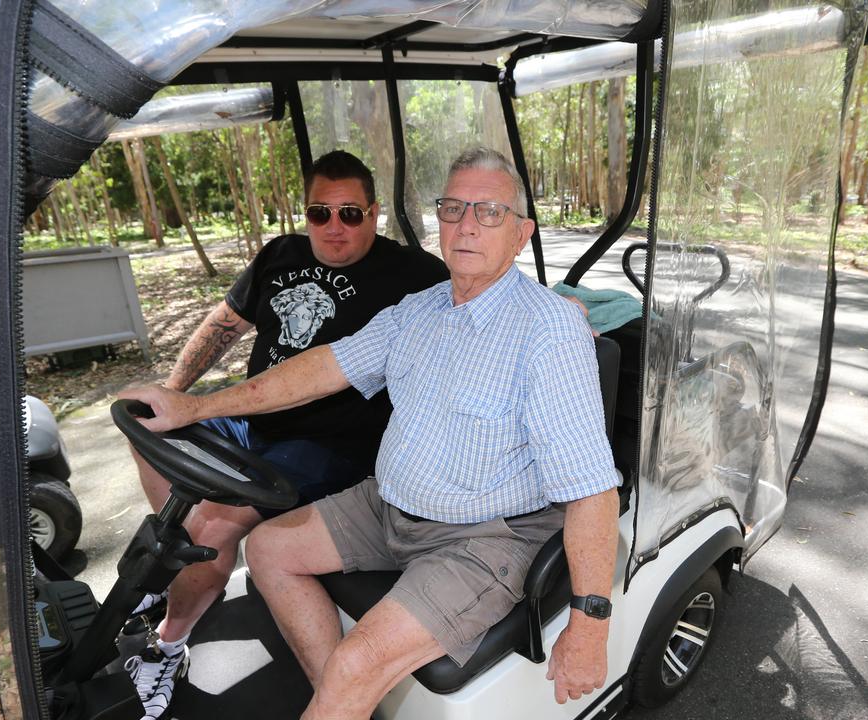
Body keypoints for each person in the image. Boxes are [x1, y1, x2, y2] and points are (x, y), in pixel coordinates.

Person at [122, 147, 620, 719]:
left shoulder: (549, 332)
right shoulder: (421, 308)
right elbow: (319, 369)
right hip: (388, 505)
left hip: (485, 534)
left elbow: (590, 487)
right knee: (267, 547)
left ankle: (343, 694)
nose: (466, 225)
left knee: (355, 666)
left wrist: (590, 622)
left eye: (488, 212)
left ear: (521, 231)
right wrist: (194, 407)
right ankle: (343, 703)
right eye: (454, 208)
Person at [121, 150, 448, 719]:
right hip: (252, 420)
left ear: (373, 214)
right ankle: (187, 562)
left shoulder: (412, 275)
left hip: (328, 446)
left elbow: (483, 291)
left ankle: (167, 644)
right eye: (320, 213)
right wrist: (175, 391)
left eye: (350, 214)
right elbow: (226, 322)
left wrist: (555, 306)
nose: (335, 227)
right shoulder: (281, 254)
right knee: (139, 415)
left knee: (215, 525)